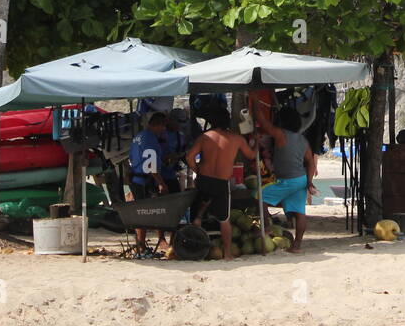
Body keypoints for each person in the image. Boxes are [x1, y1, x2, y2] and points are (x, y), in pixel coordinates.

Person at [185, 104, 256, 260]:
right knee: (224, 220)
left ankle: (194, 242)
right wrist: (255, 142)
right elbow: (251, 156)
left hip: (204, 179)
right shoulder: (236, 139)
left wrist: (198, 170)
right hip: (221, 182)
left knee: (199, 212)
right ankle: (228, 253)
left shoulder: (205, 137)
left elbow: (189, 157)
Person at [258, 103, 316, 253]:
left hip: (288, 180)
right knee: (300, 212)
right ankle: (296, 246)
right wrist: (309, 181)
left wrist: (255, 103)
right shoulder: (303, 140)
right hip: (301, 179)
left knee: (261, 197)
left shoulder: (280, 134)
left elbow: (263, 122)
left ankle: (267, 228)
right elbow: (310, 161)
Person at [128, 111, 173, 250]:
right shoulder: (150, 138)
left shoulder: (138, 137)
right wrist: (161, 182)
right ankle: (141, 245)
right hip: (144, 181)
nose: (163, 130)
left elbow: (132, 158)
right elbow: (150, 164)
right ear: (157, 125)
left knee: (141, 211)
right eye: (162, 126)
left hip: (136, 179)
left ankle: (142, 243)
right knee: (145, 212)